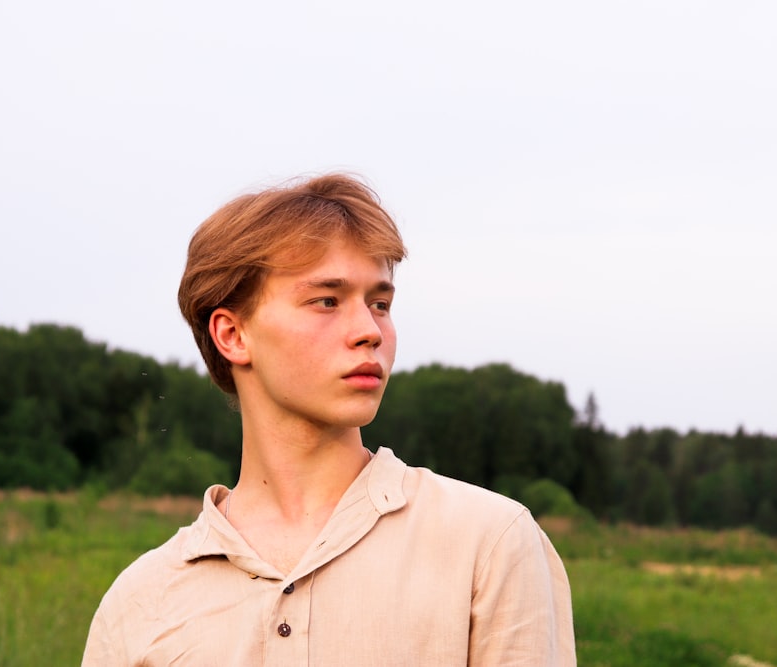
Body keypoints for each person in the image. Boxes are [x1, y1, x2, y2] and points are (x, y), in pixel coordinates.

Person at [82, 173, 576, 666]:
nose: (369, 331)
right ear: (232, 334)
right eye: (326, 301)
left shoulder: (489, 544)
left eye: (380, 304)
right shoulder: (139, 604)